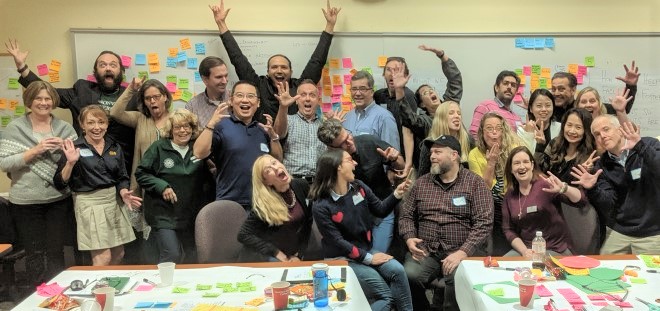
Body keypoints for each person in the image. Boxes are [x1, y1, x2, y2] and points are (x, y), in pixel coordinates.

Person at [6, 40, 138, 172]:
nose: (108, 68)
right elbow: (48, 92)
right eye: (102, 65)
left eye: (113, 65)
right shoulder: (82, 89)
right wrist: (22, 67)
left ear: (121, 70)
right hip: (86, 166)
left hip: (123, 164)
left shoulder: (133, 96)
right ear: (96, 71)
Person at [309, 149, 413, 311]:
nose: (355, 163)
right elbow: (337, 241)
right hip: (341, 257)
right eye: (350, 160)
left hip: (365, 249)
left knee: (398, 271)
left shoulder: (359, 187)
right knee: (387, 298)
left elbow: (380, 209)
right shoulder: (321, 205)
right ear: (338, 167)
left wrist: (397, 194)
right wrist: (369, 259)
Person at [400, 135, 493, 311]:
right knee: (409, 275)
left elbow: (484, 222)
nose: (432, 156)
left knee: (457, 280)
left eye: (438, 152)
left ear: (454, 155)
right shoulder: (422, 184)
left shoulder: (475, 183)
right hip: (426, 250)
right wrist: (409, 238)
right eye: (431, 152)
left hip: (461, 250)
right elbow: (406, 215)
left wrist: (462, 252)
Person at [210, 0, 340, 121]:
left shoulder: (300, 88)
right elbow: (237, 58)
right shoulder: (257, 85)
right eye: (274, 67)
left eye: (284, 67)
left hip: (293, 142)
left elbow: (317, 61)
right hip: (261, 141)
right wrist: (221, 24)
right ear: (267, 71)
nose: (279, 70)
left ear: (291, 71)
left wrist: (330, 26)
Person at [0, 81, 77, 282]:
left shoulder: (64, 128)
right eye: (38, 98)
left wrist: (65, 149)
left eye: (47, 98)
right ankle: (36, 296)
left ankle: (58, 294)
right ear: (29, 101)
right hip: (25, 203)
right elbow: (6, 163)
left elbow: (77, 160)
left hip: (58, 200)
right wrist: (37, 149)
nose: (43, 103)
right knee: (34, 253)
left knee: (56, 252)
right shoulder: (15, 127)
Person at [54, 105, 139, 266]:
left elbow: (122, 176)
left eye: (101, 122)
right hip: (89, 203)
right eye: (91, 122)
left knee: (119, 253)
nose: (97, 127)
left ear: (107, 125)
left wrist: (123, 192)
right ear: (82, 125)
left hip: (113, 201)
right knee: (102, 257)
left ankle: (110, 287)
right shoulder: (74, 148)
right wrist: (70, 163)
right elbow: (59, 182)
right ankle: (98, 289)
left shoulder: (114, 146)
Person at [572, 117, 660, 254]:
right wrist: (592, 188)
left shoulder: (648, 144)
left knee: (650, 274)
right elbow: (609, 203)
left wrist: (640, 147)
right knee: (604, 270)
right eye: (597, 134)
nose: (602, 136)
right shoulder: (602, 165)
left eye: (606, 129)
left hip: (651, 232)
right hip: (619, 231)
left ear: (619, 129)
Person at [317, 119, 404, 253]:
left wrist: (394, 159)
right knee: (362, 256)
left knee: (379, 254)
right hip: (353, 216)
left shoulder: (369, 141)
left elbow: (401, 165)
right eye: (343, 143)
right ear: (331, 148)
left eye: (348, 136)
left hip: (382, 208)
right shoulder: (328, 163)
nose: (350, 143)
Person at [193, 81, 282, 210]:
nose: (245, 100)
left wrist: (274, 137)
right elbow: (198, 153)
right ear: (231, 100)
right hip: (229, 201)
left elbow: (277, 160)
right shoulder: (221, 126)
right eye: (240, 95)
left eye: (250, 96)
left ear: (258, 103)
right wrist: (211, 124)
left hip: (262, 202)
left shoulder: (262, 129)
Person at [135, 109, 207, 263]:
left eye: (187, 126)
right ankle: (163, 284)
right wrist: (162, 186)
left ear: (193, 129)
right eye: (178, 127)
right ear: (171, 130)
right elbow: (141, 173)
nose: (183, 130)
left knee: (192, 256)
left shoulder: (198, 148)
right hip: (163, 214)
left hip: (190, 214)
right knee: (172, 254)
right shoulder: (159, 147)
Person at [501, 146, 586, 257]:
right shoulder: (510, 195)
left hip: (555, 249)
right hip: (526, 250)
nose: (522, 166)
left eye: (526, 162)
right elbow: (508, 230)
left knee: (536, 269)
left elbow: (581, 201)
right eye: (516, 163)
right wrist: (524, 251)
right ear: (511, 169)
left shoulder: (545, 184)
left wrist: (564, 188)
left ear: (532, 165)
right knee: (501, 265)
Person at [237, 155, 313, 262]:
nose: (276, 168)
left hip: (291, 253)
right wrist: (277, 253)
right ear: (267, 182)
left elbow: (307, 223)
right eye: (268, 170)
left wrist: (299, 254)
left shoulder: (301, 185)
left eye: (274, 163)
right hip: (265, 256)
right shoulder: (264, 203)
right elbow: (243, 235)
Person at [468, 112, 521, 256]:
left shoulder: (514, 148)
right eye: (489, 129)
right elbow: (483, 189)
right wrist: (491, 163)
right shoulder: (474, 154)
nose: (494, 133)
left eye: (498, 128)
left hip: (513, 201)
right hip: (489, 205)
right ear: (482, 132)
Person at [272, 80, 327, 183]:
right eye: (303, 95)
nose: (307, 98)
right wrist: (283, 107)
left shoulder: (324, 126)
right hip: (293, 181)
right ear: (296, 100)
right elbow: (278, 134)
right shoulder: (288, 120)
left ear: (318, 101)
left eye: (312, 95)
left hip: (319, 183)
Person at [550, 61, 639, 122]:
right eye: (553, 89)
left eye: (561, 89)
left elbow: (623, 108)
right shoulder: (548, 110)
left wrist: (631, 86)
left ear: (573, 90)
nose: (556, 93)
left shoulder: (585, 107)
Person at [343, 70, 400, 151]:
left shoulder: (384, 117)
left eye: (362, 89)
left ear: (372, 92)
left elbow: (392, 155)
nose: (358, 93)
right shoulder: (346, 117)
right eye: (354, 89)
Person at [536, 108, 595, 182]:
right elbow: (539, 170)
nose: (572, 131)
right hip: (548, 190)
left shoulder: (591, 154)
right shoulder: (554, 143)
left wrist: (590, 171)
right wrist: (539, 146)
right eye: (569, 125)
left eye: (578, 127)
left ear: (586, 130)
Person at [418, 101, 473, 176]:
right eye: (451, 113)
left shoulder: (468, 140)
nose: (457, 116)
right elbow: (422, 176)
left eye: (459, 113)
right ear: (441, 118)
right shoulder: (429, 144)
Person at [469, 71, 522, 138]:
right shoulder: (485, 106)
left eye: (513, 85)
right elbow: (474, 135)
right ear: (496, 88)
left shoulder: (517, 118)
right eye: (505, 83)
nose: (509, 87)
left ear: (516, 91)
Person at [185, 56, 230, 128]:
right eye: (219, 77)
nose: (225, 81)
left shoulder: (236, 99)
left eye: (226, 76)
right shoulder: (192, 106)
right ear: (205, 79)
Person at [521, 89, 561, 155]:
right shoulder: (523, 130)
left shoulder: (561, 128)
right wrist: (528, 134)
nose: (544, 109)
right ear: (531, 108)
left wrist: (543, 145)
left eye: (548, 105)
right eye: (539, 106)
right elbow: (524, 157)